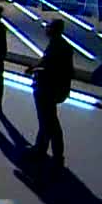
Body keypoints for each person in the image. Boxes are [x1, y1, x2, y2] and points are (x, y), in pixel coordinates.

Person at [25, 19, 74, 168]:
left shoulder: (57, 47)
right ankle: (42, 149)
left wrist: (34, 70)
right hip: (52, 89)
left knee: (50, 122)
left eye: (49, 27)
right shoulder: (61, 45)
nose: (46, 29)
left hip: (47, 89)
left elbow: (50, 68)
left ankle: (56, 156)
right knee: (47, 121)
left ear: (54, 30)